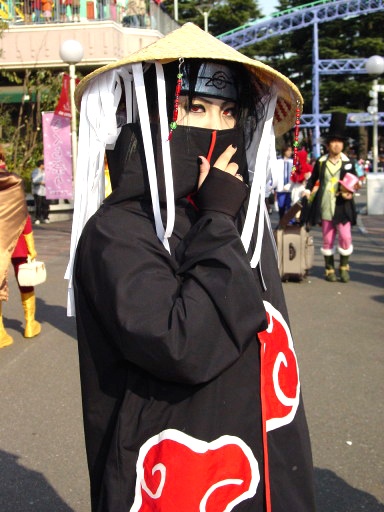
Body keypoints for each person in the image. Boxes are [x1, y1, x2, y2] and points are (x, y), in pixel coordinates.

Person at [66, 23, 316, 511]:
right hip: (175, 480)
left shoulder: (237, 214)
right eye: (194, 108)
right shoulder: (119, 230)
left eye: (228, 112)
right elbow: (183, 344)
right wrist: (218, 221)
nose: (215, 128)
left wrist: (221, 216)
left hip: (257, 466)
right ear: (153, 116)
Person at [304, 112, 358, 283]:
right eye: (333, 142)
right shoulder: (321, 162)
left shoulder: (348, 162)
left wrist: (353, 190)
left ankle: (343, 268)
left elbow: (356, 181)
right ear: (328, 145)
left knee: (345, 236)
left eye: (339, 142)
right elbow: (312, 180)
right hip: (326, 204)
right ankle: (329, 269)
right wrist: (307, 191)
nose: (336, 145)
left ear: (343, 145)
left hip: (343, 205)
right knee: (328, 238)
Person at [0, 156, 41, 348]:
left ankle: (0, 332)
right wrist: (31, 247)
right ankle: (30, 324)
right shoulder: (13, 183)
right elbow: (24, 217)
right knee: (25, 279)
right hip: (17, 244)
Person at [271, 144, 293, 220]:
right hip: (280, 188)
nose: (290, 152)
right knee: (281, 206)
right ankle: (282, 221)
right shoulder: (278, 161)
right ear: (284, 151)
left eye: (291, 150)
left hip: (290, 188)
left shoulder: (293, 162)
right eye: (288, 150)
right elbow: (274, 173)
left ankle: (290, 223)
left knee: (290, 206)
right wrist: (273, 185)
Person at [31, 159, 50, 224]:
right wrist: (41, 182)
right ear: (41, 165)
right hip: (38, 191)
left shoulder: (46, 171)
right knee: (38, 205)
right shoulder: (36, 171)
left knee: (46, 205)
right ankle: (37, 218)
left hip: (45, 191)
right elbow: (34, 180)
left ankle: (45, 217)